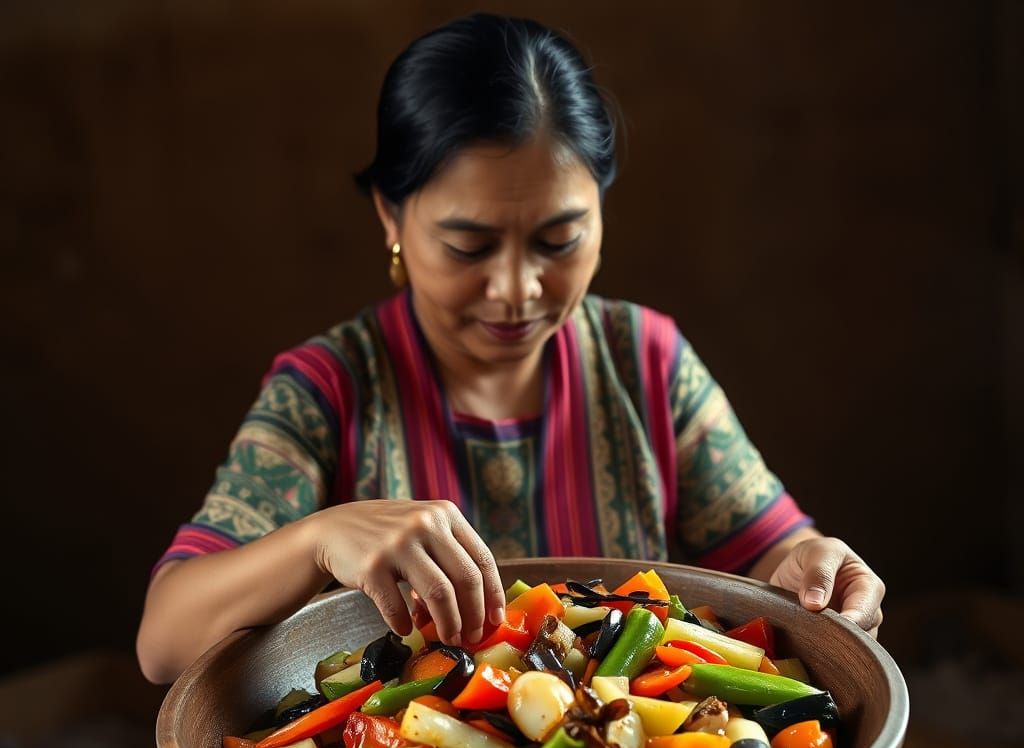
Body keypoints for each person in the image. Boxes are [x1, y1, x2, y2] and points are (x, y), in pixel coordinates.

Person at [137, 13, 884, 685]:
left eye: (559, 240)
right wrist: (318, 540)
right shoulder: (328, 390)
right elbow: (163, 643)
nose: (518, 290)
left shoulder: (645, 361)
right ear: (390, 217)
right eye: (470, 245)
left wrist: (816, 571)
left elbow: (776, 564)